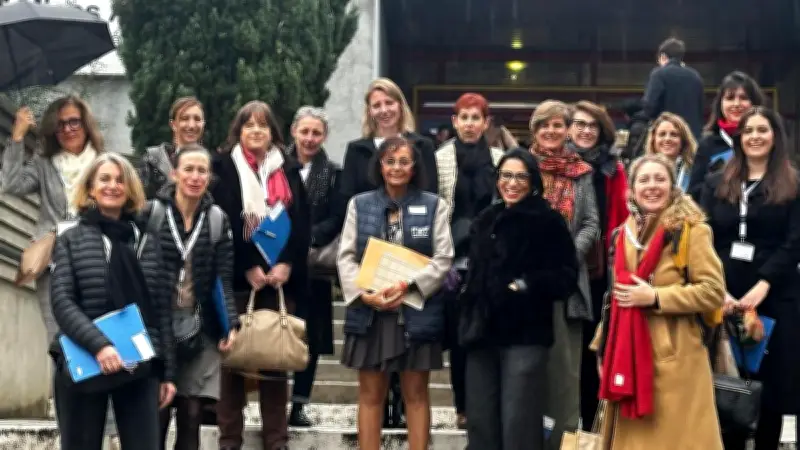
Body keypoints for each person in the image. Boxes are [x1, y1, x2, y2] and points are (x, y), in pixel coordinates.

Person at [592, 154, 725, 449]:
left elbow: (713, 291)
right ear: (632, 189)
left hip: (676, 356)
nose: (652, 186)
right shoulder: (622, 234)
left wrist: (655, 297)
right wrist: (603, 346)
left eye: (660, 179)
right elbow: (616, 297)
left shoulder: (692, 230)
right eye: (644, 180)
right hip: (626, 351)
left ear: (672, 186)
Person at [49, 153, 177, 450]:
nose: (113, 186)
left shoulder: (147, 241)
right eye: (104, 179)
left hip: (138, 362)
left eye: (120, 180)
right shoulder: (71, 239)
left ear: (130, 189)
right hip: (84, 355)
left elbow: (161, 312)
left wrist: (167, 373)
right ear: (91, 189)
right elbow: (63, 302)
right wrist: (100, 346)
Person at [337, 136, 453, 450]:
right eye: (390, 161)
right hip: (370, 311)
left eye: (403, 162)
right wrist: (364, 295)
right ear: (379, 166)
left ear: (414, 167)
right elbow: (346, 257)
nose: (396, 168)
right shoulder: (359, 204)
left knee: (416, 395)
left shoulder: (435, 205)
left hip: (415, 310)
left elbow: (443, 258)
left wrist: (409, 286)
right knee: (370, 395)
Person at [460, 148, 579, 450]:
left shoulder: (548, 221)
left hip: (525, 333)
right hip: (481, 333)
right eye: (506, 176)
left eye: (520, 177)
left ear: (533, 181)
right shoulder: (485, 219)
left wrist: (525, 285)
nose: (512, 183)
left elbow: (566, 276)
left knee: (519, 421)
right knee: (481, 421)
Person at [338, 77, 439, 427]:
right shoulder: (357, 150)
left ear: (400, 105)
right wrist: (362, 285)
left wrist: (410, 278)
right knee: (371, 387)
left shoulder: (422, 146)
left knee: (414, 384)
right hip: (370, 268)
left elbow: (431, 198)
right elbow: (347, 201)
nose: (383, 110)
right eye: (376, 105)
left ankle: (399, 409)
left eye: (389, 102)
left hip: (411, 268)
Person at [210, 101, 310, 450]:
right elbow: (222, 222)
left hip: (279, 280)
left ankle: (276, 441)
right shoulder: (222, 167)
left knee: (275, 364)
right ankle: (229, 441)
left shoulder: (289, 169)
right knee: (233, 363)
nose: (256, 131)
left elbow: (302, 224)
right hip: (237, 282)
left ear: (273, 133)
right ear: (238, 131)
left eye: (263, 125)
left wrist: (287, 264)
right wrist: (247, 265)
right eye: (248, 125)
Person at [700, 107, 800, 449]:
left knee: (772, 389)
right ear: (739, 137)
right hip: (722, 294)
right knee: (726, 383)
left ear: (775, 136)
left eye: (763, 130)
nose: (755, 136)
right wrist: (719, 288)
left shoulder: (793, 184)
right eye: (749, 131)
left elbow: (794, 242)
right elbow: (704, 237)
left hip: (775, 295)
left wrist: (764, 284)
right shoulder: (716, 182)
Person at [145, 144, 240, 450]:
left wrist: (229, 323)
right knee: (157, 411)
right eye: (188, 169)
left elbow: (223, 278)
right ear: (174, 174)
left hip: (201, 326)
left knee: (192, 412)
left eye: (202, 171)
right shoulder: (151, 214)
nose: (195, 177)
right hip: (157, 325)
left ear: (209, 177)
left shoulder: (217, 219)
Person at [1, 96, 105, 345]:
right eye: (60, 124)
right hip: (52, 261)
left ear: (86, 124)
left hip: (94, 260)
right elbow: (11, 184)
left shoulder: (104, 164)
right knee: (59, 341)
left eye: (74, 122)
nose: (67, 129)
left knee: (95, 334)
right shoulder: (44, 163)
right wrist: (17, 137)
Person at [529, 100, 599, 449]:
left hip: (567, 286)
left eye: (558, 125)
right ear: (534, 129)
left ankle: (563, 443)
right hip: (526, 287)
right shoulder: (520, 166)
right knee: (526, 374)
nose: (551, 131)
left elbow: (591, 223)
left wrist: (566, 256)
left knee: (566, 379)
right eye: (545, 125)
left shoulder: (581, 172)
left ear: (568, 129)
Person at [434, 93, 504, 429]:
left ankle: (487, 405)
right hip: (453, 260)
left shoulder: (500, 159)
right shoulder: (440, 159)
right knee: (460, 339)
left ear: (486, 123)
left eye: (476, 118)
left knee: (488, 335)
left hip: (490, 260)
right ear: (454, 121)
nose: (470, 124)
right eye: (464, 117)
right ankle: (463, 407)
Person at [567, 100, 628, 429]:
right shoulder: (557, 164)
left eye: (592, 125)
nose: (586, 131)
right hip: (563, 267)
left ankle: (590, 427)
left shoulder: (612, 169)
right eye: (579, 124)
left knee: (592, 351)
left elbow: (622, 216)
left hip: (599, 272)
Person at [285, 106, 341, 426]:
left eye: (316, 133)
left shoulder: (333, 173)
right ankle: (274, 400)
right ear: (294, 131)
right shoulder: (276, 166)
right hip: (279, 261)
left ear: (324, 136)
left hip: (314, 263)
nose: (309, 138)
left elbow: (337, 216)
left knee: (311, 336)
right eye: (304, 131)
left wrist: (308, 238)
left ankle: (299, 403)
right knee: (277, 330)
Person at [688, 71, 767, 200]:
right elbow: (694, 193)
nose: (736, 104)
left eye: (743, 98)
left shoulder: (766, 141)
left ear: (754, 103)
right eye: (730, 98)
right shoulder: (707, 144)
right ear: (720, 104)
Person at [138, 97, 206, 199]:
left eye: (197, 119)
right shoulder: (152, 160)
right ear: (173, 124)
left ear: (203, 124)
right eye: (185, 118)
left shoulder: (212, 166)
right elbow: (140, 201)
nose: (191, 125)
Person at [641, 37, 705, 139]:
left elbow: (650, 107)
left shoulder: (658, 74)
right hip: (692, 136)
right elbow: (701, 109)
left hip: (668, 136)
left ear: (663, 56)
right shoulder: (696, 76)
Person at [643, 112, 697, 192]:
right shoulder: (642, 171)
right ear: (653, 140)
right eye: (662, 134)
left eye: (674, 134)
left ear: (683, 141)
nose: (667, 139)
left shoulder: (694, 172)